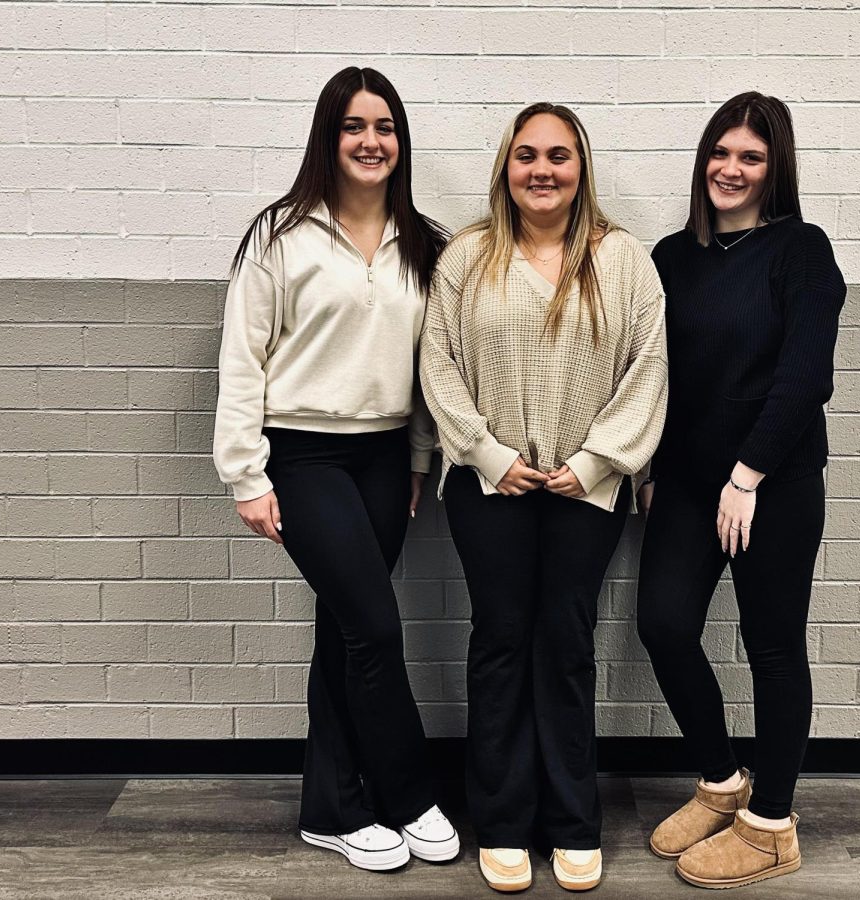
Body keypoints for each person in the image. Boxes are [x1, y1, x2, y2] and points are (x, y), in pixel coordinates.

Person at [212, 67, 459, 873]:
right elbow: (242, 360)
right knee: (377, 629)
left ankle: (330, 807)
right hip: (303, 453)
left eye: (384, 127)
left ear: (401, 140)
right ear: (328, 137)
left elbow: (434, 367)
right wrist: (246, 475)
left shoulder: (425, 242)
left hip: (387, 457)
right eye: (354, 127)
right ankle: (407, 794)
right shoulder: (279, 235)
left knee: (347, 633)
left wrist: (420, 457)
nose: (371, 141)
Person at [420, 102, 667, 893]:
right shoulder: (467, 258)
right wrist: (490, 455)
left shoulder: (622, 259)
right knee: (499, 641)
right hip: (490, 487)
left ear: (581, 168)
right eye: (527, 155)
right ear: (506, 167)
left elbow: (648, 370)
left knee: (564, 645)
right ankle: (500, 820)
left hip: (584, 491)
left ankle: (570, 821)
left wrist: (595, 464)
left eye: (559, 156)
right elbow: (439, 367)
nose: (543, 170)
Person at [636, 92, 846, 889]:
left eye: (751, 157)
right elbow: (654, 376)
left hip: (775, 483)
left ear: (774, 169)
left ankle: (771, 825)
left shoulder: (802, 251)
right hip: (688, 484)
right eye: (721, 153)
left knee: (774, 649)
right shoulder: (670, 257)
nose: (732, 169)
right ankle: (723, 783)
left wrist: (747, 474)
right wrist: (653, 471)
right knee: (663, 624)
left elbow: (805, 376)